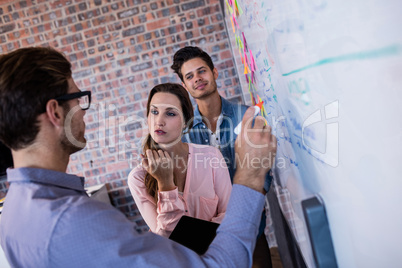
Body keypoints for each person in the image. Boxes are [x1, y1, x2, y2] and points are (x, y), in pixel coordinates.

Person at [0, 47, 276, 267]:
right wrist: (250, 175)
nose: (83, 111)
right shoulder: (78, 221)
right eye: (78, 98)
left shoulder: (12, 214)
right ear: (56, 112)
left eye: (170, 113)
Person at [171, 46, 274, 267]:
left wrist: (249, 204)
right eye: (190, 76)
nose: (197, 79)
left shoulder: (245, 115)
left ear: (214, 72)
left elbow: (264, 168)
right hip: (207, 235)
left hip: (250, 224)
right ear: (184, 85)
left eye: (202, 71)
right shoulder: (184, 134)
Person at [128, 83, 232, 237]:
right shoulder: (138, 178)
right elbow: (167, 238)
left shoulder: (211, 157)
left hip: (220, 255)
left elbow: (230, 216)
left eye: (170, 113)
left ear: (186, 121)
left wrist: (189, 237)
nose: (159, 121)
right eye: (154, 112)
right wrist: (165, 185)